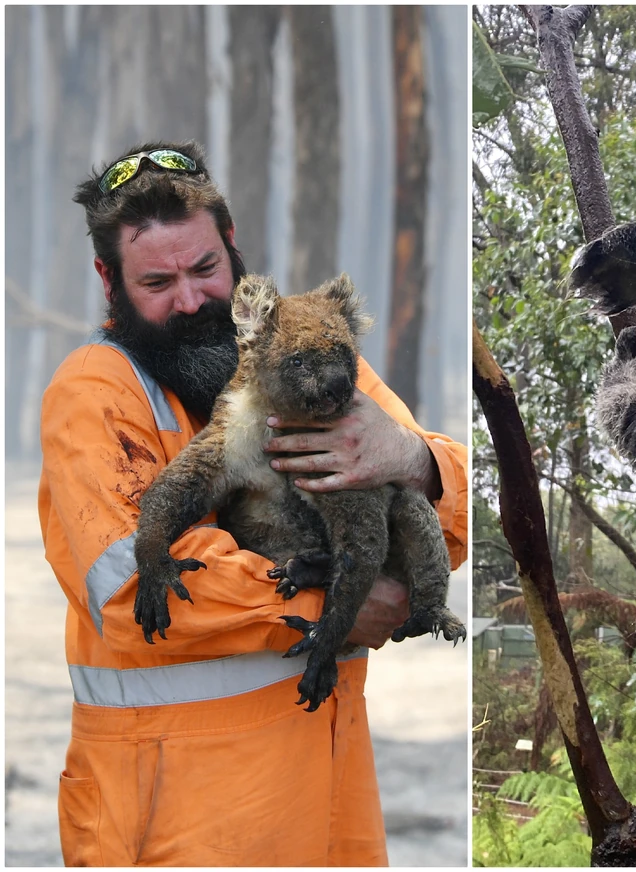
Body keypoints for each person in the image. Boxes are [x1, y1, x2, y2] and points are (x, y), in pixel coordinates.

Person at [38, 141, 468, 866]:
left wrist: (408, 456)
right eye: (157, 281)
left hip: (329, 807)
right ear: (108, 280)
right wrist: (324, 610)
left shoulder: (308, 358)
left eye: (205, 268)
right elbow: (125, 585)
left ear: (233, 248)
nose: (190, 298)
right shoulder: (95, 391)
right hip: (173, 822)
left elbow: (451, 516)